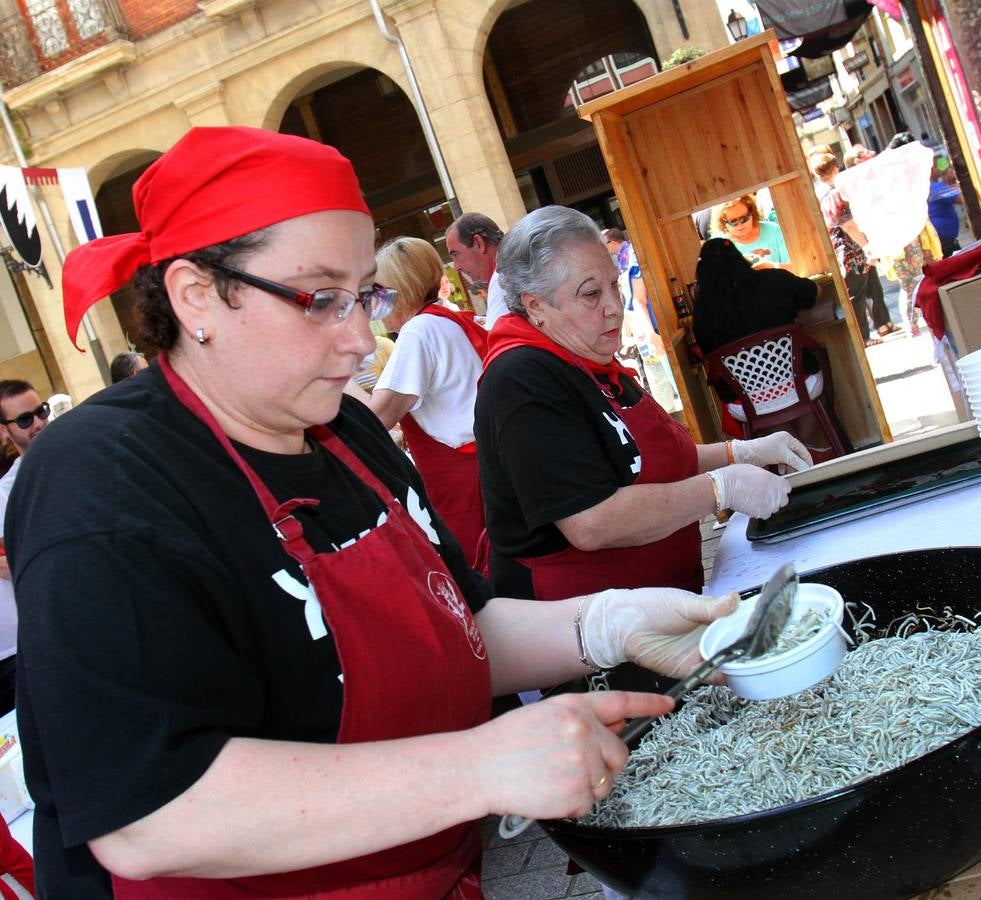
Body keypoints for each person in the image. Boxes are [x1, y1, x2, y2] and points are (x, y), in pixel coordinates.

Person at [7, 126, 737, 897]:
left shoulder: (349, 431)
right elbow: (147, 813)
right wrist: (477, 766)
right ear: (196, 296)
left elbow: (460, 620)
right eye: (320, 299)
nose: (362, 338)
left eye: (365, 295)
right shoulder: (102, 480)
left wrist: (606, 624)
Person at [476, 205, 811, 616]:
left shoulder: (591, 361)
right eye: (590, 294)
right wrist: (720, 488)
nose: (614, 306)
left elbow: (640, 461)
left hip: (658, 604)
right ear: (536, 306)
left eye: (614, 286)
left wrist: (739, 452)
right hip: (588, 630)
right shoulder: (522, 378)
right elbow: (591, 520)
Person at [370, 236, 489, 571]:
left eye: (379, 292)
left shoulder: (418, 331)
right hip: (488, 466)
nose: (377, 304)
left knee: (479, 575)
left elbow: (375, 419)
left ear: (400, 289)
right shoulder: (449, 317)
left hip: (465, 483)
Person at [692, 237, 824, 442]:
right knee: (818, 357)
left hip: (744, 401)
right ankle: (804, 447)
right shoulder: (775, 280)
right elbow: (816, 292)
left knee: (761, 399)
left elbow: (706, 351)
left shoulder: (702, 313)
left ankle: (792, 455)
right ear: (740, 258)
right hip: (798, 384)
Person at [0, 379, 49, 716]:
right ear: (5, 431)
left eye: (41, 411)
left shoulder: (82, 460)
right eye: (24, 419)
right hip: (30, 642)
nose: (38, 423)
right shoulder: (5, 496)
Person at [810, 152, 896, 345]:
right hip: (852, 249)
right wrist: (867, 246)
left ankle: (871, 331)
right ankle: (863, 337)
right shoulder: (835, 193)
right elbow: (848, 225)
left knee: (861, 291)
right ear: (835, 167)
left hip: (843, 248)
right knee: (856, 295)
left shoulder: (821, 192)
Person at [602, 227, 680, 413]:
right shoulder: (625, 258)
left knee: (668, 380)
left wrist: (650, 333)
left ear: (612, 242)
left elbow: (638, 299)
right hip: (644, 328)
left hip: (652, 328)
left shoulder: (632, 256)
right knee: (658, 381)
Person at [445, 213, 507, 329]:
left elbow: (498, 339)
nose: (456, 267)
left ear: (479, 243)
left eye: (456, 254)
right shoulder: (511, 269)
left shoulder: (502, 279)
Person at [711, 194, 790, 269]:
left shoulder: (773, 230)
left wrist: (772, 267)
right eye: (733, 222)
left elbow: (796, 266)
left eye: (744, 219)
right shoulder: (717, 244)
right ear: (723, 223)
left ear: (752, 213)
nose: (740, 225)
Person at [928, 158, 963, 257]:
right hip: (945, 240)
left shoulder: (929, 188)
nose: (937, 170)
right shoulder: (935, 188)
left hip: (939, 239)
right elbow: (961, 198)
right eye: (935, 167)